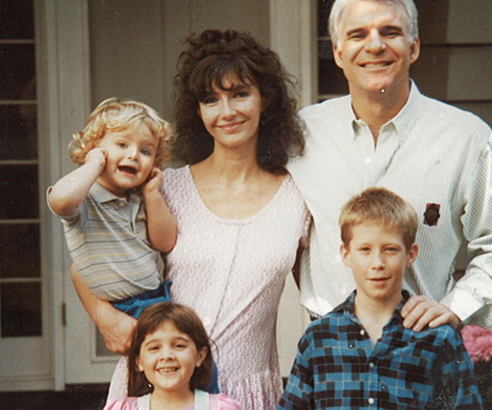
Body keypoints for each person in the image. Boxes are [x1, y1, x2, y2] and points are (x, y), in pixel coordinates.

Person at [87, 30, 310, 409]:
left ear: (266, 98)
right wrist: (104, 317)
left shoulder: (298, 198)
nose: (227, 112)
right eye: (211, 99)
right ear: (198, 110)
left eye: (240, 94)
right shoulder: (165, 188)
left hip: (245, 391)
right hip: (156, 390)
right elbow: (88, 259)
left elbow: (324, 285)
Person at [287, 0, 492, 332]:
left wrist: (456, 308)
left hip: (423, 344)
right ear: (338, 52)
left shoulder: (466, 138)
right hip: (329, 349)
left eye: (390, 32)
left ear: (414, 47)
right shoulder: (302, 135)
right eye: (358, 34)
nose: (375, 45)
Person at [278, 188, 483, 409]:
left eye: (390, 249)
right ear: (346, 255)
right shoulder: (319, 338)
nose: (377, 263)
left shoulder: (437, 338)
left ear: (410, 255)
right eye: (365, 249)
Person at [48, 98, 176, 319]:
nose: (134, 155)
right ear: (95, 149)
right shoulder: (85, 199)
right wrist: (93, 165)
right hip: (123, 308)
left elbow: (164, 243)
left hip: (156, 298)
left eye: (146, 151)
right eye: (122, 145)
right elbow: (60, 200)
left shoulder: (141, 198)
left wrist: (152, 194)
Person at [103, 302, 243, 410]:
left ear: (200, 356)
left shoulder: (220, 407)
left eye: (179, 346)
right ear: (138, 362)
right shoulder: (124, 408)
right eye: (154, 348)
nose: (166, 356)